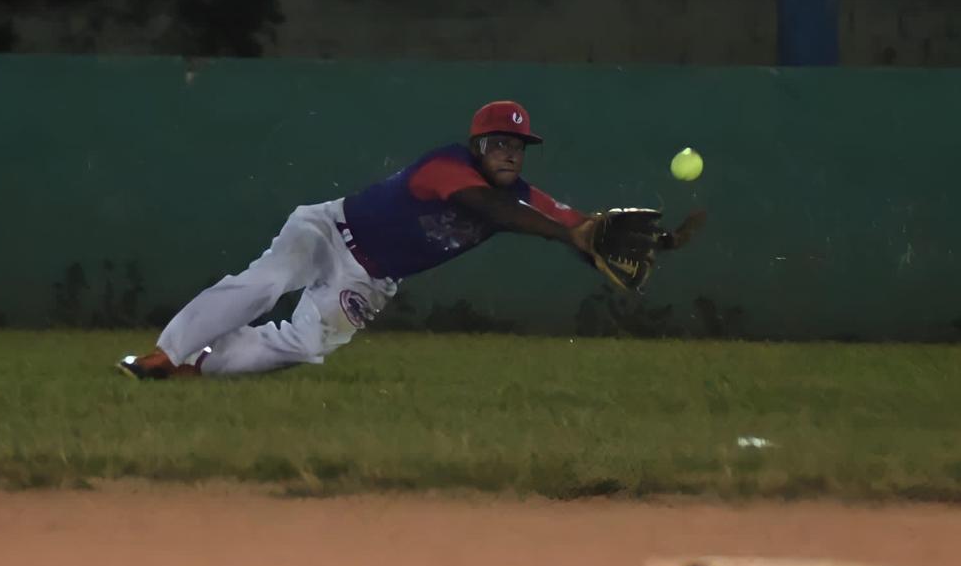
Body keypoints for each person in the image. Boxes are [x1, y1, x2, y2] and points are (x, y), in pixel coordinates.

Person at [117, 100, 680, 380]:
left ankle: (196, 365)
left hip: (370, 278)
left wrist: (634, 240)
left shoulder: (524, 194)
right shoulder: (447, 166)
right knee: (263, 283)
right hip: (328, 231)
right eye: (499, 141)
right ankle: (166, 349)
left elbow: (578, 224)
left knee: (305, 346)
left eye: (519, 144)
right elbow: (493, 210)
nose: (510, 151)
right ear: (477, 145)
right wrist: (567, 236)